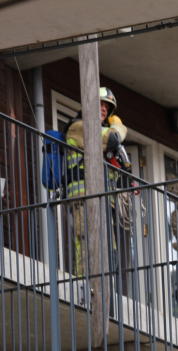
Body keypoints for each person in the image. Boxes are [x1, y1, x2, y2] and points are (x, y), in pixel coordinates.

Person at [64, 87, 129, 277]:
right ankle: (85, 291)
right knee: (88, 245)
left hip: (100, 198)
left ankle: (101, 294)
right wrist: (117, 125)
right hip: (83, 196)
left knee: (108, 252)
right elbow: (113, 139)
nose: (104, 109)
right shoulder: (79, 126)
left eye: (107, 107)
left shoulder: (97, 131)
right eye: (100, 104)